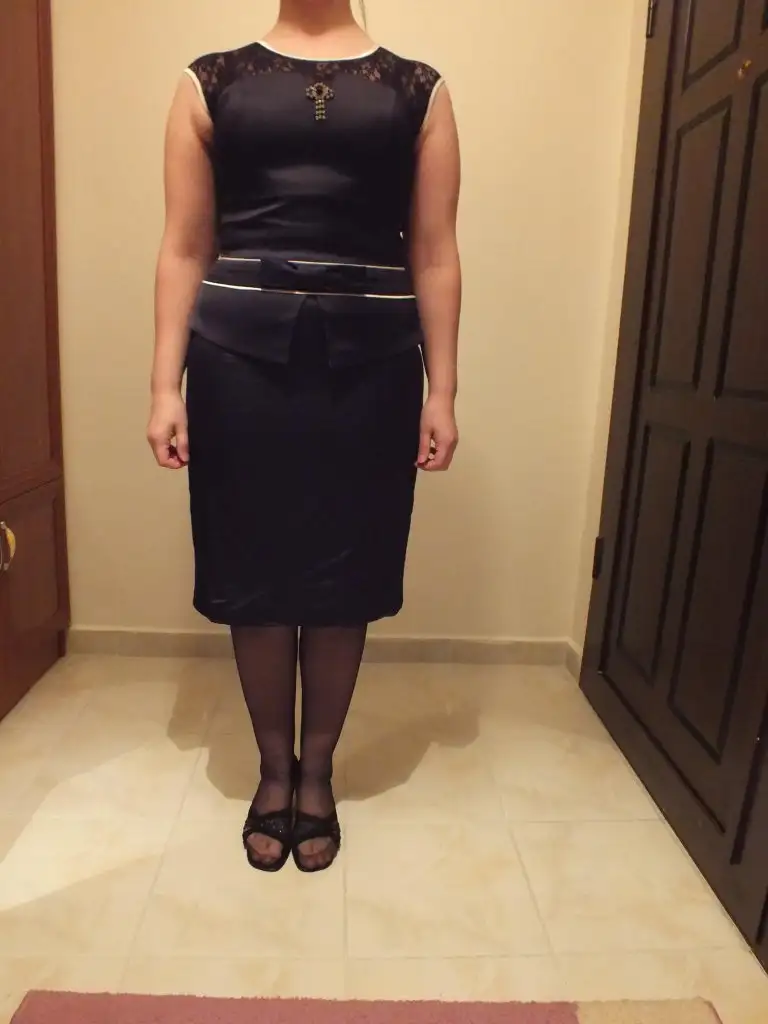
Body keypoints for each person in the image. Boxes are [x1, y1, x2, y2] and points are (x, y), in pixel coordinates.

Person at [147, 0, 462, 873]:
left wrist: (444, 390)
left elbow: (435, 252)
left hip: (373, 367)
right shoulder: (209, 82)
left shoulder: (419, 90)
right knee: (253, 568)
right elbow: (185, 245)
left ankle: (316, 772)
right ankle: (272, 769)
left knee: (344, 570)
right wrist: (163, 385)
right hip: (236, 364)